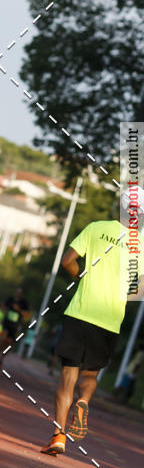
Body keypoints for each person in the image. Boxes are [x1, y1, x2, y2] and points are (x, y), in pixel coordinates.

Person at [41, 188, 144, 454]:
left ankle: (58, 436)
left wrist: (81, 276)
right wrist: (122, 296)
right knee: (90, 375)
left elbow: (68, 261)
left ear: (120, 206)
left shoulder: (96, 228)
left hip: (80, 313)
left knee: (68, 375)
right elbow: (140, 289)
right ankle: (84, 401)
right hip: (110, 320)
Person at [0, 287, 30, 366]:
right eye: (17, 292)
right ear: (16, 292)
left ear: (22, 294)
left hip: (15, 325)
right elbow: (3, 305)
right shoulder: (10, 299)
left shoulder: (24, 303)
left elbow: (27, 314)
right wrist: (4, 312)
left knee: (9, 343)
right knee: (3, 338)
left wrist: (19, 309)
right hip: (7, 322)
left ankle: (2, 358)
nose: (18, 294)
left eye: (20, 292)